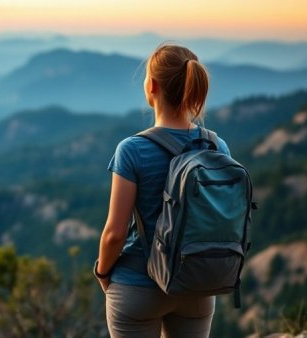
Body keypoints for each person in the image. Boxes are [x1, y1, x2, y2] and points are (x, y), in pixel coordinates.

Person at [94, 43, 232, 338]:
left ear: (152, 86)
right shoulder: (217, 147)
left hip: (137, 286)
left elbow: (115, 233)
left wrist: (103, 272)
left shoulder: (132, 150)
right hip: (196, 284)